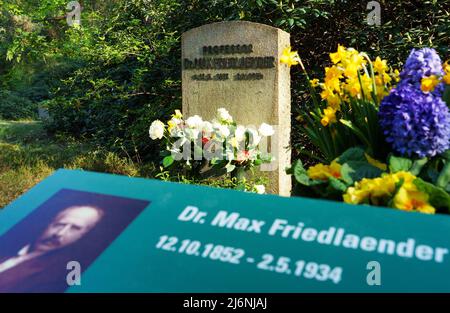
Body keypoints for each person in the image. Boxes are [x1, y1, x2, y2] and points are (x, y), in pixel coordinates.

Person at [0, 205, 104, 292]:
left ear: (82, 235)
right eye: (60, 224)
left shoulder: (58, 276)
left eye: (75, 228)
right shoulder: (7, 243)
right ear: (48, 223)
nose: (59, 234)